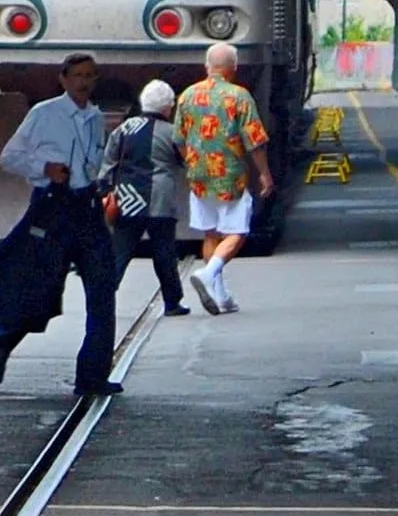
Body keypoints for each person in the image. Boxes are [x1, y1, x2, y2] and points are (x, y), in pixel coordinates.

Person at [0, 53, 123, 397]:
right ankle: (2, 338)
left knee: (103, 289)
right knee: (40, 288)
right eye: (78, 75)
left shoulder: (96, 119)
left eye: (90, 75)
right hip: (52, 208)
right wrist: (45, 167)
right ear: (64, 79)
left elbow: (95, 163)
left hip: (87, 208)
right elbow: (9, 157)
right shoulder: (44, 114)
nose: (84, 82)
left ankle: (93, 375)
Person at [172, 42, 274, 315]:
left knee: (211, 233)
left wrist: (192, 163)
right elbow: (254, 141)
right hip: (230, 176)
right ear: (234, 68)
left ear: (207, 66)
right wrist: (264, 173)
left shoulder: (187, 96)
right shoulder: (239, 97)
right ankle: (208, 274)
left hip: (199, 176)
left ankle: (220, 295)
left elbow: (179, 139)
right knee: (237, 232)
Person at [98, 79, 190, 318]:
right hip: (160, 201)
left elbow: (109, 163)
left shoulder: (124, 129)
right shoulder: (172, 133)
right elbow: (185, 161)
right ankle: (172, 303)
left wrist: (104, 189)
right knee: (164, 253)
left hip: (128, 199)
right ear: (168, 107)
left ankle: (103, 297)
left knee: (119, 252)